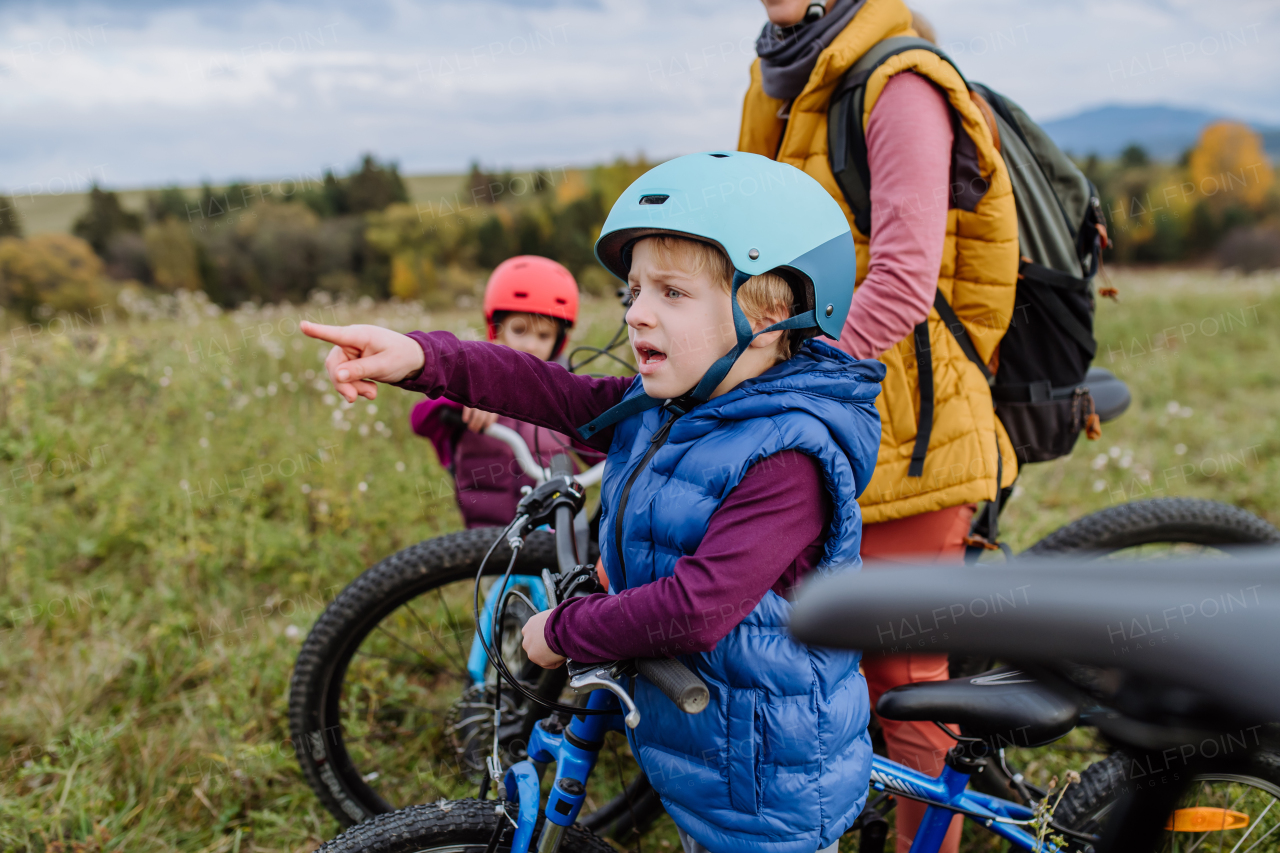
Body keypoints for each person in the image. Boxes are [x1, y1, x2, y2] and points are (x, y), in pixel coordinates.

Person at [302, 152, 885, 853]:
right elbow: (548, 391)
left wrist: (564, 629)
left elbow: (697, 607)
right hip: (706, 744)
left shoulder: (788, 458)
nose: (637, 313)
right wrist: (421, 358)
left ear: (772, 310)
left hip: (766, 780)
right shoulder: (669, 403)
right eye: (632, 291)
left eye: (671, 293)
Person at [741, 2, 1021, 850]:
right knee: (832, 658)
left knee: (904, 675)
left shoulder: (896, 83)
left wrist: (798, 380)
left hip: (910, 426)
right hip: (825, 423)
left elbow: (900, 279)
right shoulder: (781, 76)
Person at [409, 255, 586, 528]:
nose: (531, 344)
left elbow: (598, 449)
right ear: (496, 329)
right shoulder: (473, 383)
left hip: (553, 530)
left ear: (559, 341)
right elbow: (420, 420)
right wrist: (467, 398)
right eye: (519, 330)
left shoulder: (565, 393)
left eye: (544, 335)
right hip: (490, 537)